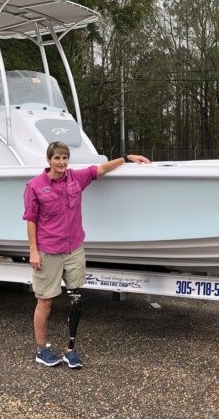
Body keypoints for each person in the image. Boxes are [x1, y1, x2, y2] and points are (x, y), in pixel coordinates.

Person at [22, 141, 151, 368]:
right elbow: (31, 219)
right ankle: (41, 350)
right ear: (48, 160)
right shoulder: (34, 185)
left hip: (74, 249)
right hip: (48, 251)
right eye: (57, 158)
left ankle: (71, 350)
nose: (61, 162)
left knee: (76, 299)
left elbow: (100, 169)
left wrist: (127, 157)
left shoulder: (75, 178)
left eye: (65, 158)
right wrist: (33, 251)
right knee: (45, 302)